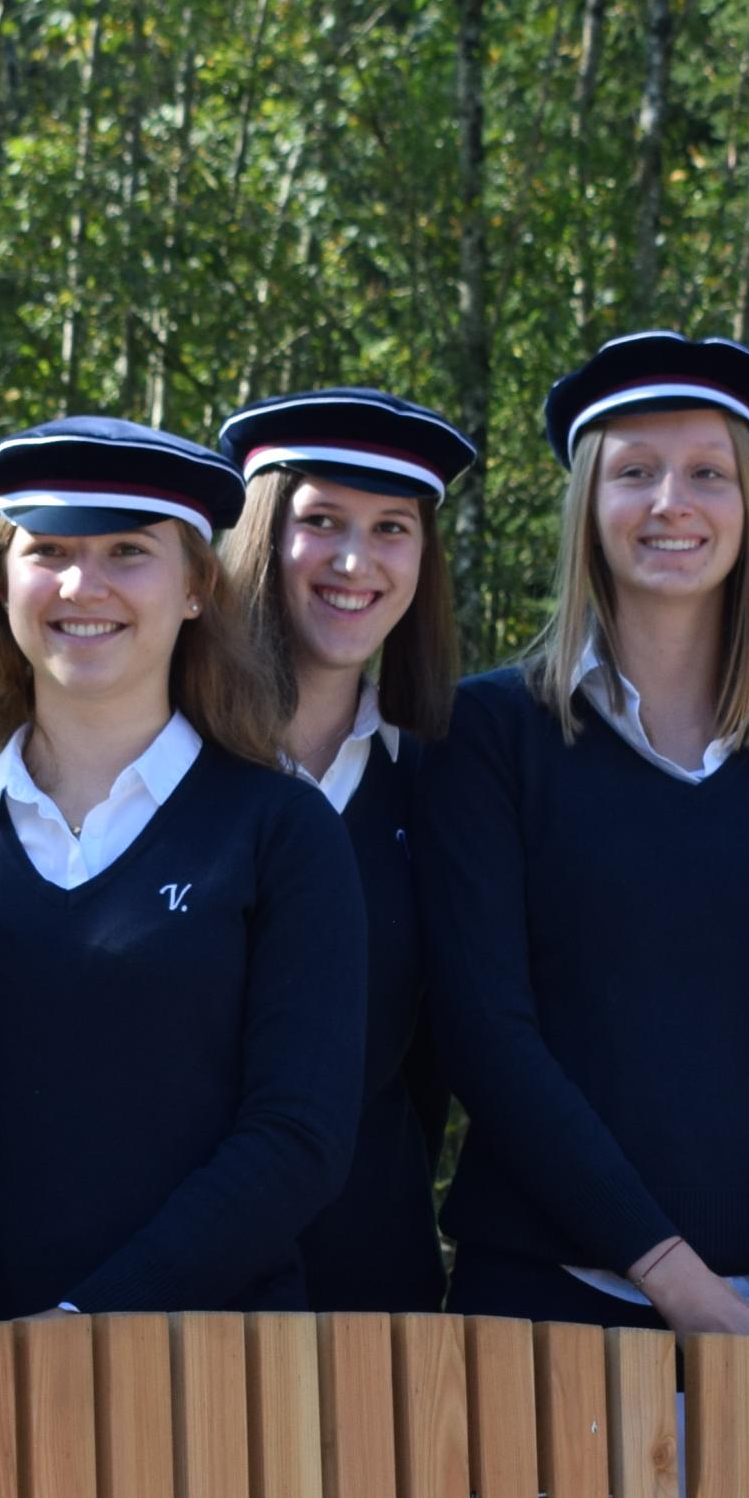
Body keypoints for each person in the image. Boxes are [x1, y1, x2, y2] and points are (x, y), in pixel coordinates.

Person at [416, 330, 749, 1338]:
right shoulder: (491, 731)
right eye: (634, 472)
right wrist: (678, 1285)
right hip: (547, 1303)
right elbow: (484, 1032)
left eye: (707, 474)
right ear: (589, 507)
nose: (670, 502)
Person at [0, 415, 363, 1320]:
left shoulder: (282, 830)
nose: (84, 585)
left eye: (128, 551)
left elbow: (298, 1136)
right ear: (1, 582)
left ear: (196, 586)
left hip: (218, 1364)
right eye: (48, 551)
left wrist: (87, 1325)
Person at [214, 385, 479, 1312]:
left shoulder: (443, 783)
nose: (355, 560)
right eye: (321, 521)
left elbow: (440, 1063)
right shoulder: (159, 767)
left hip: (373, 1296)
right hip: (161, 1292)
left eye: (392, 528)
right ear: (261, 535)